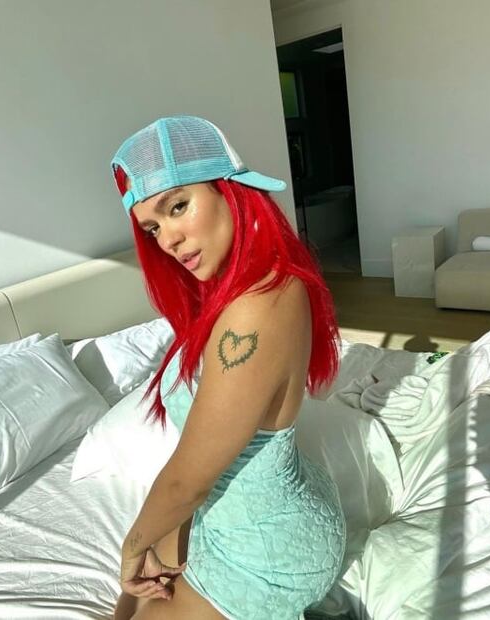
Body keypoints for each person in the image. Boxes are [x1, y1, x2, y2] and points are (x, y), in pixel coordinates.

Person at [110, 115, 345, 620]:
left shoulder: (257, 309)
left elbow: (187, 484)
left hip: (269, 550)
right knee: (129, 604)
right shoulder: (248, 288)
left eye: (178, 207)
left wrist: (131, 546)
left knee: (139, 580)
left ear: (230, 190)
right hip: (232, 508)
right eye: (153, 228)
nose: (168, 240)